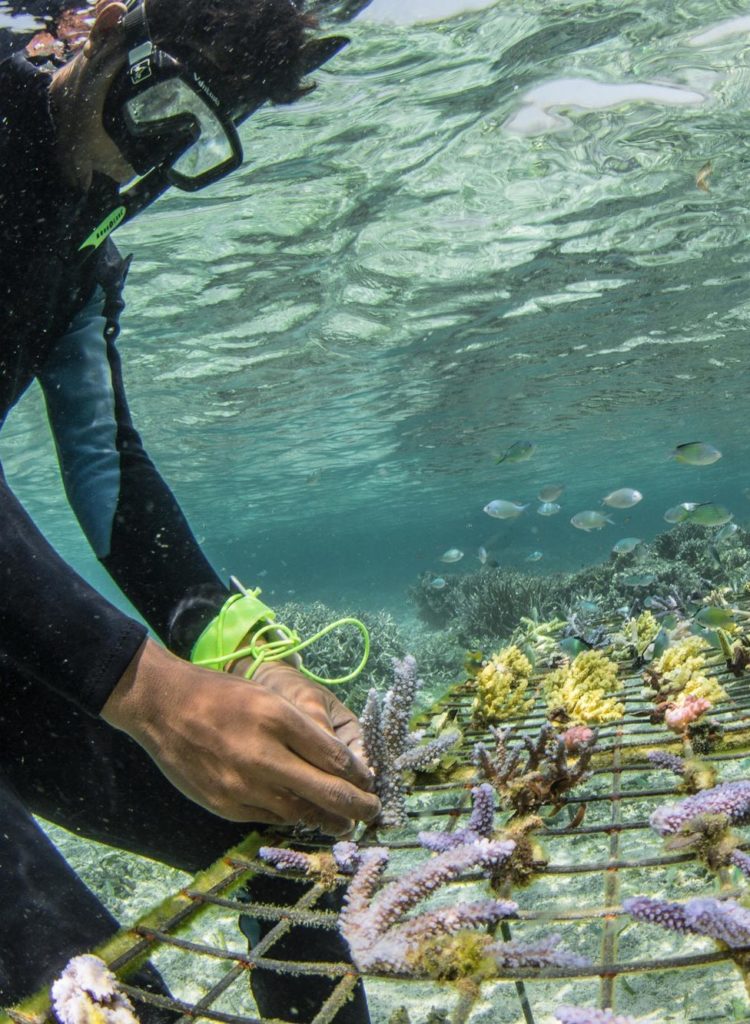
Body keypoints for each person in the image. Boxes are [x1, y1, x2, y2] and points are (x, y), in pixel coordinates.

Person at [0, 0, 380, 1018]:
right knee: (84, 983)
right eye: (159, 107)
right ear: (102, 30)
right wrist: (150, 692)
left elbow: (106, 463)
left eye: (191, 133)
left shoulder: (82, 235)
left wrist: (240, 653)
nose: (146, 161)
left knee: (283, 851)